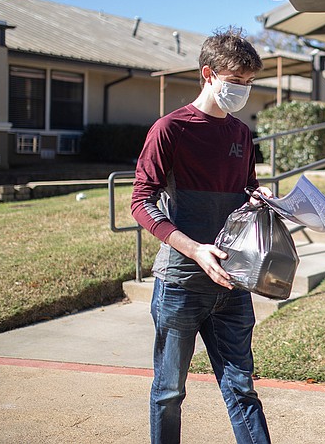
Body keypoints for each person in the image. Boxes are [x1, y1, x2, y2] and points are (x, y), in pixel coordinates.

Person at [131, 27, 272, 444]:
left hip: (232, 281)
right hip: (181, 282)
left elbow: (243, 187)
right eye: (236, 81)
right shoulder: (170, 129)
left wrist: (258, 196)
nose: (243, 91)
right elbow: (141, 202)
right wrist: (193, 249)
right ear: (208, 74)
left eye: (249, 83)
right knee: (169, 392)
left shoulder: (241, 134)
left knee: (242, 388)